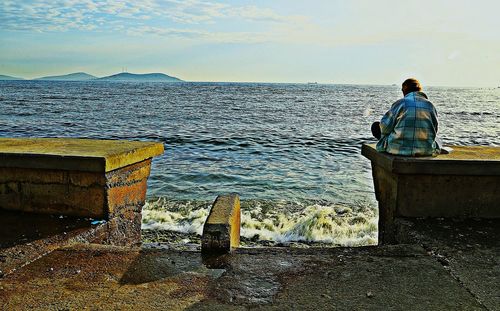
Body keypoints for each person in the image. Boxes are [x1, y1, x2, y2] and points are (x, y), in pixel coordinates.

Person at [371, 78, 441, 156]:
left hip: (397, 150)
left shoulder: (400, 103)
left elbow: (384, 127)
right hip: (426, 151)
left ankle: (386, 147)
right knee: (437, 140)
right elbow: (434, 129)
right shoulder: (430, 106)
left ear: (405, 89)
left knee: (376, 126)